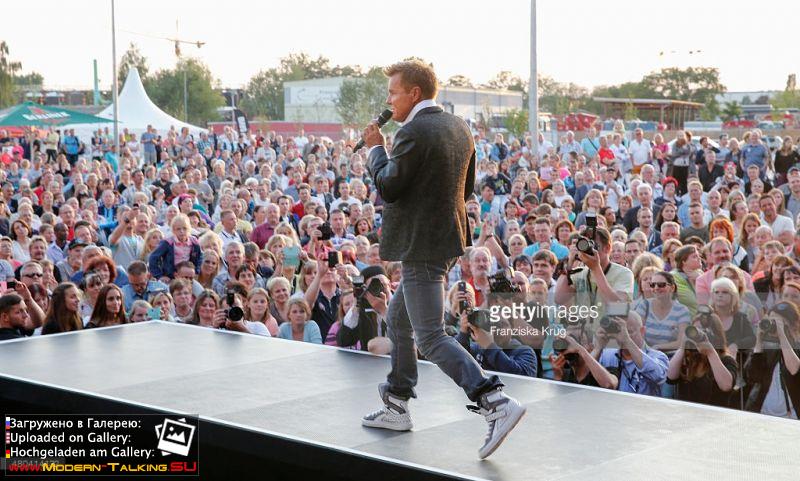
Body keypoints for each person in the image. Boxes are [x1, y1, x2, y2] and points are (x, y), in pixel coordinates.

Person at [360, 60, 523, 459]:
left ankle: (493, 401)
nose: (389, 99)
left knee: (431, 336)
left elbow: (390, 187)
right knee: (399, 320)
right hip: (446, 241)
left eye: (393, 92)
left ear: (414, 93)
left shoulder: (413, 131)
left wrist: (375, 152)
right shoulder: (458, 126)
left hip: (422, 247)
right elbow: (465, 188)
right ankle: (398, 404)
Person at [666, 312, 737, 407]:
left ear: (715, 335)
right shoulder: (687, 358)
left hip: (713, 417)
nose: (697, 336)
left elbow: (726, 386)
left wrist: (711, 352)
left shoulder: (726, 360)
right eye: (695, 331)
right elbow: (670, 377)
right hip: (685, 415)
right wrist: (683, 346)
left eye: (703, 331)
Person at [745, 301, 800, 418]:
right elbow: (753, 376)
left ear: (794, 325)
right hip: (764, 414)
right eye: (772, 321)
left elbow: (794, 370)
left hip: (792, 418)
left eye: (779, 322)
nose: (774, 325)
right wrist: (759, 341)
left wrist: (782, 336)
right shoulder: (767, 347)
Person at [595, 310, 670, 396]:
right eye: (620, 331)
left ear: (642, 331)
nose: (623, 335)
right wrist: (598, 347)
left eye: (629, 331)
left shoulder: (657, 356)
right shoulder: (607, 355)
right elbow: (582, 376)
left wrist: (627, 341)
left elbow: (658, 376)